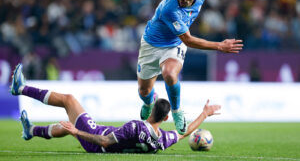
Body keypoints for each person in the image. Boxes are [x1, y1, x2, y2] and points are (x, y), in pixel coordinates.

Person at [10, 63, 221, 153]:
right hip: (103, 140)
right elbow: (185, 132)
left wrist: (78, 132)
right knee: (68, 124)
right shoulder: (164, 140)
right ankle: (31, 131)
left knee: (69, 100)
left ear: (150, 110)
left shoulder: (136, 126)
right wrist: (204, 114)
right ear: (166, 118)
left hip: (97, 139)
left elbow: (103, 140)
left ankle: (21, 88)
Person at [137, 0, 243, 135]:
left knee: (170, 74)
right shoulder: (169, 9)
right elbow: (189, 39)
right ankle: (149, 101)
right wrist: (219, 46)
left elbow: (184, 38)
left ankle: (177, 111)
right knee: (144, 91)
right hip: (151, 45)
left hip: (174, 44)